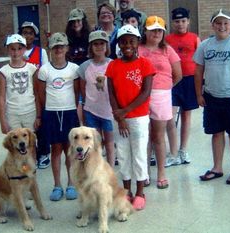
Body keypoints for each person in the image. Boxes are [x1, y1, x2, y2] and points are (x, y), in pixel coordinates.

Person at [193, 9, 230, 185]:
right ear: (212, 25)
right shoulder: (205, 45)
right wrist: (199, 94)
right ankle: (217, 168)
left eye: (226, 23)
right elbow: (198, 71)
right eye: (218, 23)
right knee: (216, 133)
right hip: (211, 97)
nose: (222, 26)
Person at [106, 24, 155, 210]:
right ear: (118, 43)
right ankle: (127, 191)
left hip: (138, 118)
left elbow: (146, 92)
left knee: (139, 154)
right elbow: (111, 93)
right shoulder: (113, 65)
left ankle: (140, 192)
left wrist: (124, 112)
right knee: (123, 155)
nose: (127, 45)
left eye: (131, 41)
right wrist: (119, 117)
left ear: (137, 43)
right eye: (123, 42)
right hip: (119, 119)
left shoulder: (145, 64)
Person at [138, 16, 182, 189]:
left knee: (158, 136)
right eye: (152, 29)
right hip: (141, 96)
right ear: (145, 31)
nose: (156, 33)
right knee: (144, 136)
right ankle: (145, 172)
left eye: (159, 30)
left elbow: (178, 74)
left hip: (162, 96)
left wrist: (164, 87)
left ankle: (161, 173)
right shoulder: (138, 49)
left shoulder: (168, 50)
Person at [37, 32, 80, 200]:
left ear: (67, 48)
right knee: (56, 150)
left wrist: (73, 109)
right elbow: (41, 95)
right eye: (55, 47)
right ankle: (57, 185)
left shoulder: (74, 69)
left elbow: (77, 92)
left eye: (61, 46)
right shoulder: (44, 70)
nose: (58, 49)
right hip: (51, 113)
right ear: (50, 49)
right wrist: (44, 114)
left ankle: (71, 184)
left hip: (69, 113)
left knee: (70, 150)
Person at [164, 7, 201, 167]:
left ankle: (182, 150)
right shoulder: (167, 39)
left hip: (190, 80)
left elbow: (201, 62)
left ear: (188, 21)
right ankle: (172, 152)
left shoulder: (194, 38)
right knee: (169, 117)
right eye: (177, 21)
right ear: (173, 23)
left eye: (183, 21)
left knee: (186, 115)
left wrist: (201, 82)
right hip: (172, 81)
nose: (180, 24)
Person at [77, 30, 115, 167]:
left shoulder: (113, 64)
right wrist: (86, 105)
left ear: (107, 46)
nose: (99, 47)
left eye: (102, 44)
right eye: (95, 44)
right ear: (91, 47)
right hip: (91, 111)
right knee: (96, 143)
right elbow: (82, 88)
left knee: (110, 142)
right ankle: (97, 169)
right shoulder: (84, 67)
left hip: (108, 111)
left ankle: (110, 169)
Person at [20, 21, 51, 169]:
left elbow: (45, 72)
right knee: (26, 126)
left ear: (34, 36)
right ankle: (27, 153)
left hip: (38, 92)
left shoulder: (41, 52)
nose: (27, 35)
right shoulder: (17, 51)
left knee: (41, 124)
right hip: (23, 95)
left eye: (30, 33)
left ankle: (43, 153)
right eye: (25, 32)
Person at [0, 34, 40, 135]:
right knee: (15, 145)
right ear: (8, 49)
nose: (16, 52)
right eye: (12, 49)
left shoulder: (32, 69)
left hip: (30, 112)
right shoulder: (3, 71)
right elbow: (1, 98)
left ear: (25, 49)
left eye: (19, 48)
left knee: (31, 144)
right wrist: (2, 121)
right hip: (12, 114)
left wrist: (39, 116)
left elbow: (37, 94)